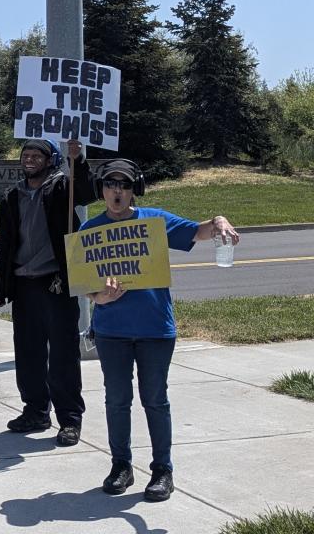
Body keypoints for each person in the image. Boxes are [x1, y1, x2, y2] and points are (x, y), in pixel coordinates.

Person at [81, 158, 239, 502]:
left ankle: (162, 470)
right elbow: (84, 284)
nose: (117, 191)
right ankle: (121, 465)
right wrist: (101, 297)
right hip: (111, 331)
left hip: (155, 328)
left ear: (134, 188)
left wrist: (219, 222)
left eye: (124, 184)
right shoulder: (89, 232)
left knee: (155, 400)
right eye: (110, 184)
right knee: (117, 400)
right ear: (101, 190)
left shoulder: (155, 220)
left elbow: (197, 232)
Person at [0, 138, 94, 446]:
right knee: (28, 352)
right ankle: (35, 410)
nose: (31, 159)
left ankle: (70, 420)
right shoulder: (11, 196)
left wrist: (77, 161)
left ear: (50, 160)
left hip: (56, 282)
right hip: (24, 283)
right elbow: (5, 246)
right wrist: (1, 288)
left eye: (38, 155)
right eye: (26, 154)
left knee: (63, 354)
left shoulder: (62, 188)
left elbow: (87, 192)